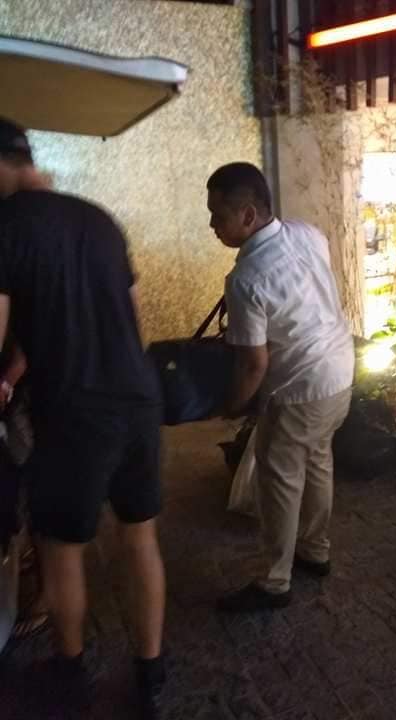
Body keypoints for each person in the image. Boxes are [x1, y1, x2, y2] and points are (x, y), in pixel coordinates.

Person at [0, 117, 166, 719]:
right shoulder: (98, 219)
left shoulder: (5, 227)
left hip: (73, 410)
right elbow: (131, 315)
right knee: (139, 533)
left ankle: (69, 671)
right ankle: (150, 672)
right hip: (138, 397)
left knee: (61, 544)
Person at [207, 162, 354, 612]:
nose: (212, 225)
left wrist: (232, 406)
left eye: (218, 215)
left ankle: (275, 581)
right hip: (340, 372)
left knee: (280, 482)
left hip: (299, 387)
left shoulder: (246, 278)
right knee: (319, 461)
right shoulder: (308, 234)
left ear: (248, 214)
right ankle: (315, 550)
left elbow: (254, 363)